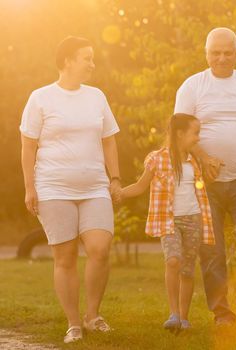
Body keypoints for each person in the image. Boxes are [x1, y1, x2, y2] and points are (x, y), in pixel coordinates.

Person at [20, 36, 121, 343]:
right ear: (67, 61)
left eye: (92, 58)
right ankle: (74, 323)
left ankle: (93, 315)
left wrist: (115, 178)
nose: (92, 64)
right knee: (64, 258)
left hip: (94, 186)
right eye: (86, 58)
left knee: (100, 249)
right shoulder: (40, 98)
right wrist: (29, 188)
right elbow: (28, 146)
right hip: (53, 188)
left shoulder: (96, 96)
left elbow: (108, 139)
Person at [174, 27, 236, 324]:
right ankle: (221, 311)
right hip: (205, 183)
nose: (221, 58)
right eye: (215, 53)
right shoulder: (192, 86)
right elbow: (179, 133)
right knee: (212, 248)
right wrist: (204, 158)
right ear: (206, 54)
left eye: (227, 52)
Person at [120, 114, 215, 331]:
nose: (198, 138)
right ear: (180, 134)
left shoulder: (195, 161)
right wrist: (118, 193)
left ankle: (184, 318)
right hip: (169, 219)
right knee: (173, 261)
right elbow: (140, 186)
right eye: (195, 133)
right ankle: (173, 314)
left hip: (193, 219)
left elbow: (201, 188)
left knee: (188, 270)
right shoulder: (157, 159)